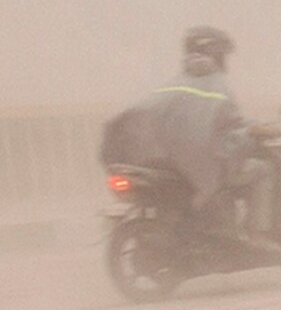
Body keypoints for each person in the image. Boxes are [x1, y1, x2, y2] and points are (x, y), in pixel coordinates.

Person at [107, 26, 255, 232]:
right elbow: (229, 124)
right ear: (214, 54)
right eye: (222, 55)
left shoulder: (176, 83)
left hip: (170, 162)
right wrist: (250, 133)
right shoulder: (216, 85)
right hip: (203, 164)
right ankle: (256, 234)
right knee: (261, 171)